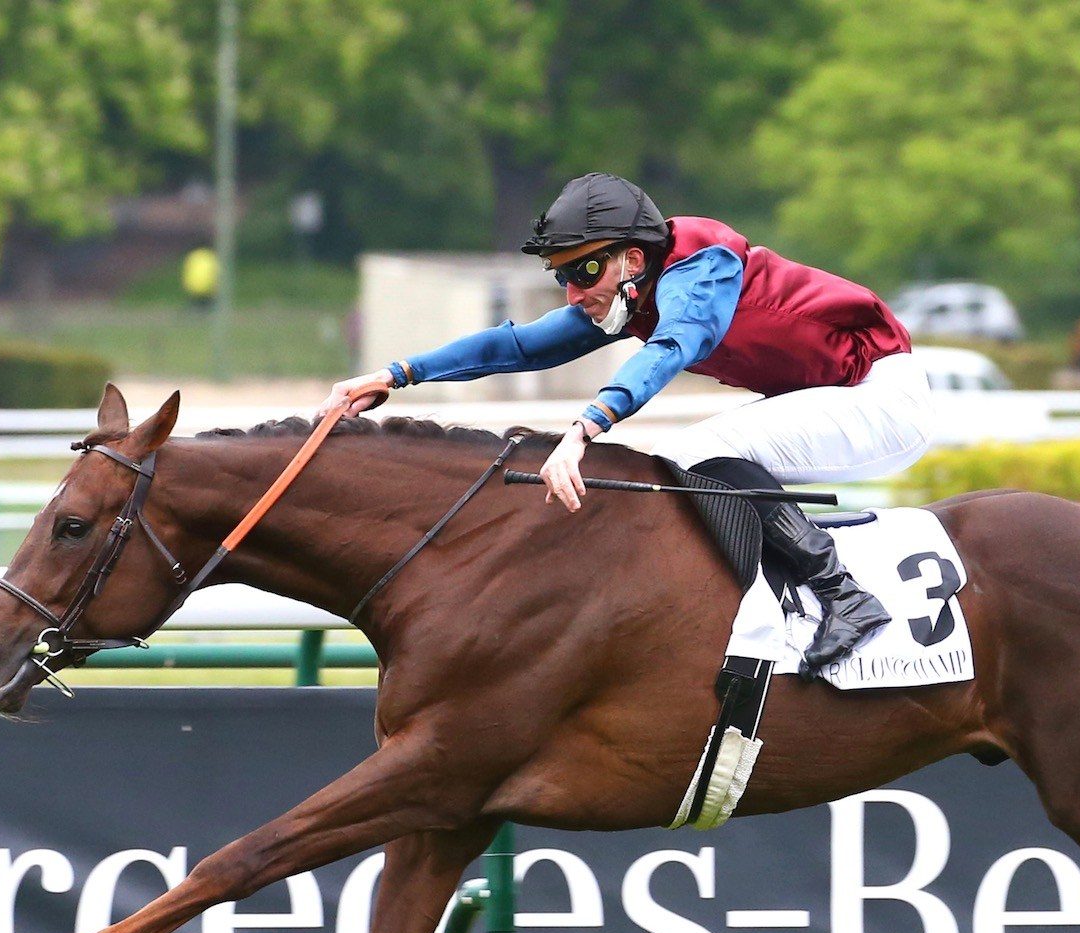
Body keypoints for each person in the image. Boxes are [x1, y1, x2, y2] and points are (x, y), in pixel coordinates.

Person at [318, 173, 933, 672]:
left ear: (631, 258)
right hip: (839, 395)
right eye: (561, 276)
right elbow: (517, 346)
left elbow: (673, 347)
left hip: (881, 395)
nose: (572, 292)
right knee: (690, 455)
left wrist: (586, 429)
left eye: (582, 272)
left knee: (696, 451)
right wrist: (395, 375)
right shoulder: (629, 292)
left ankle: (842, 596)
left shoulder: (704, 270)